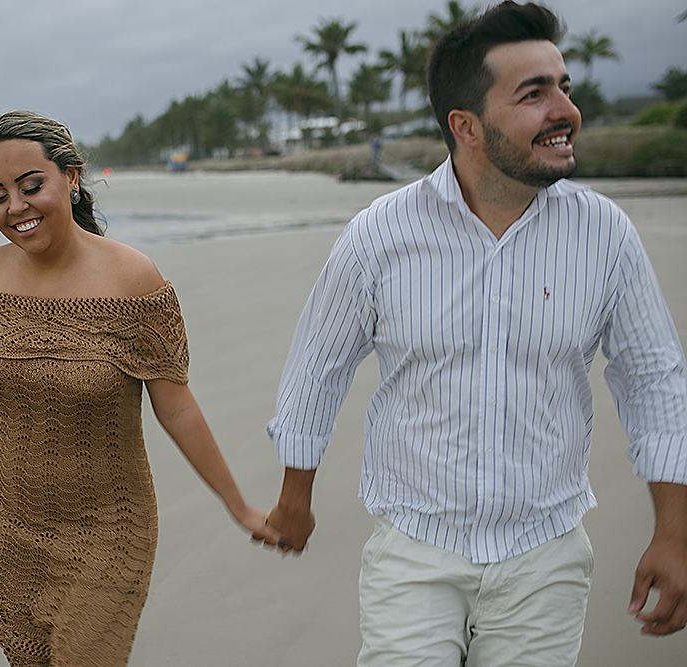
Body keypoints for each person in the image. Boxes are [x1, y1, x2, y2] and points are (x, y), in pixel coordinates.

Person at [260, 3, 687, 665]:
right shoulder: (380, 235)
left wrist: (675, 533)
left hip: (545, 552)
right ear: (466, 125)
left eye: (563, 86)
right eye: (534, 93)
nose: (565, 108)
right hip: (414, 546)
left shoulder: (605, 235)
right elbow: (317, 368)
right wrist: (295, 497)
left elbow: (655, 381)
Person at [0, 110, 280, 667]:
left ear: (71, 178)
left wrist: (239, 506)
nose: (15, 208)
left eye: (32, 186)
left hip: (107, 529)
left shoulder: (133, 279)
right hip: (10, 526)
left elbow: (178, 408)